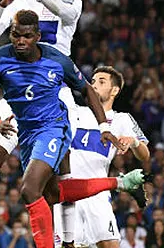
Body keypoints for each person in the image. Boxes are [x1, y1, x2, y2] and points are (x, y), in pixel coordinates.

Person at [0, 10, 145, 248]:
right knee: (53, 194)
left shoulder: (57, 59)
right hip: (26, 131)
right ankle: (121, 183)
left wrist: (103, 125)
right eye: (16, 35)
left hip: (54, 127)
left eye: (27, 36)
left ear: (37, 36)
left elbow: (86, 90)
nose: (21, 41)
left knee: (29, 190)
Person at [0, 0, 84, 248]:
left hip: (56, 90)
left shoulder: (71, 0)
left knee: (61, 172)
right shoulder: (23, 3)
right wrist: (1, 5)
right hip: (19, 91)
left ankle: (68, 240)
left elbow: (64, 13)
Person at [53, 66, 151, 248]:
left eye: (101, 81)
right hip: (68, 190)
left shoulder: (122, 119)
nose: (94, 85)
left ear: (115, 90)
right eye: (92, 81)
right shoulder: (75, 112)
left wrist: (134, 142)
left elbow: (145, 155)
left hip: (96, 194)